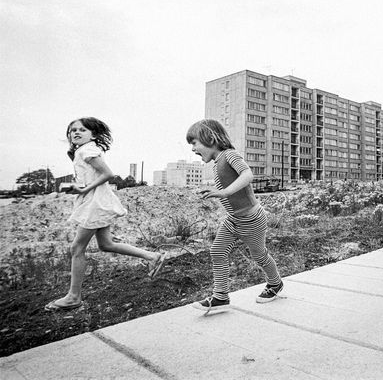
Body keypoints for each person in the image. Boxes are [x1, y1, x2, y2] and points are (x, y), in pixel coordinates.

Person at [45, 117, 166, 311]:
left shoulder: (87, 150)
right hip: (97, 202)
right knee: (106, 244)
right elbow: (94, 177)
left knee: (77, 248)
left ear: (93, 134)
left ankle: (73, 297)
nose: (76, 133)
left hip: (95, 204)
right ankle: (153, 257)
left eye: (82, 130)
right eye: (73, 130)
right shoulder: (83, 150)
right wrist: (79, 187)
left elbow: (108, 174)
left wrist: (84, 190)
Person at [186, 119, 283, 314]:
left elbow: (247, 175)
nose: (193, 149)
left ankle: (275, 284)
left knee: (259, 255)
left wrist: (224, 192)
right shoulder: (216, 163)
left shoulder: (230, 155)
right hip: (233, 220)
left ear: (210, 138)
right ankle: (220, 297)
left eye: (195, 143)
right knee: (217, 251)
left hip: (252, 220)